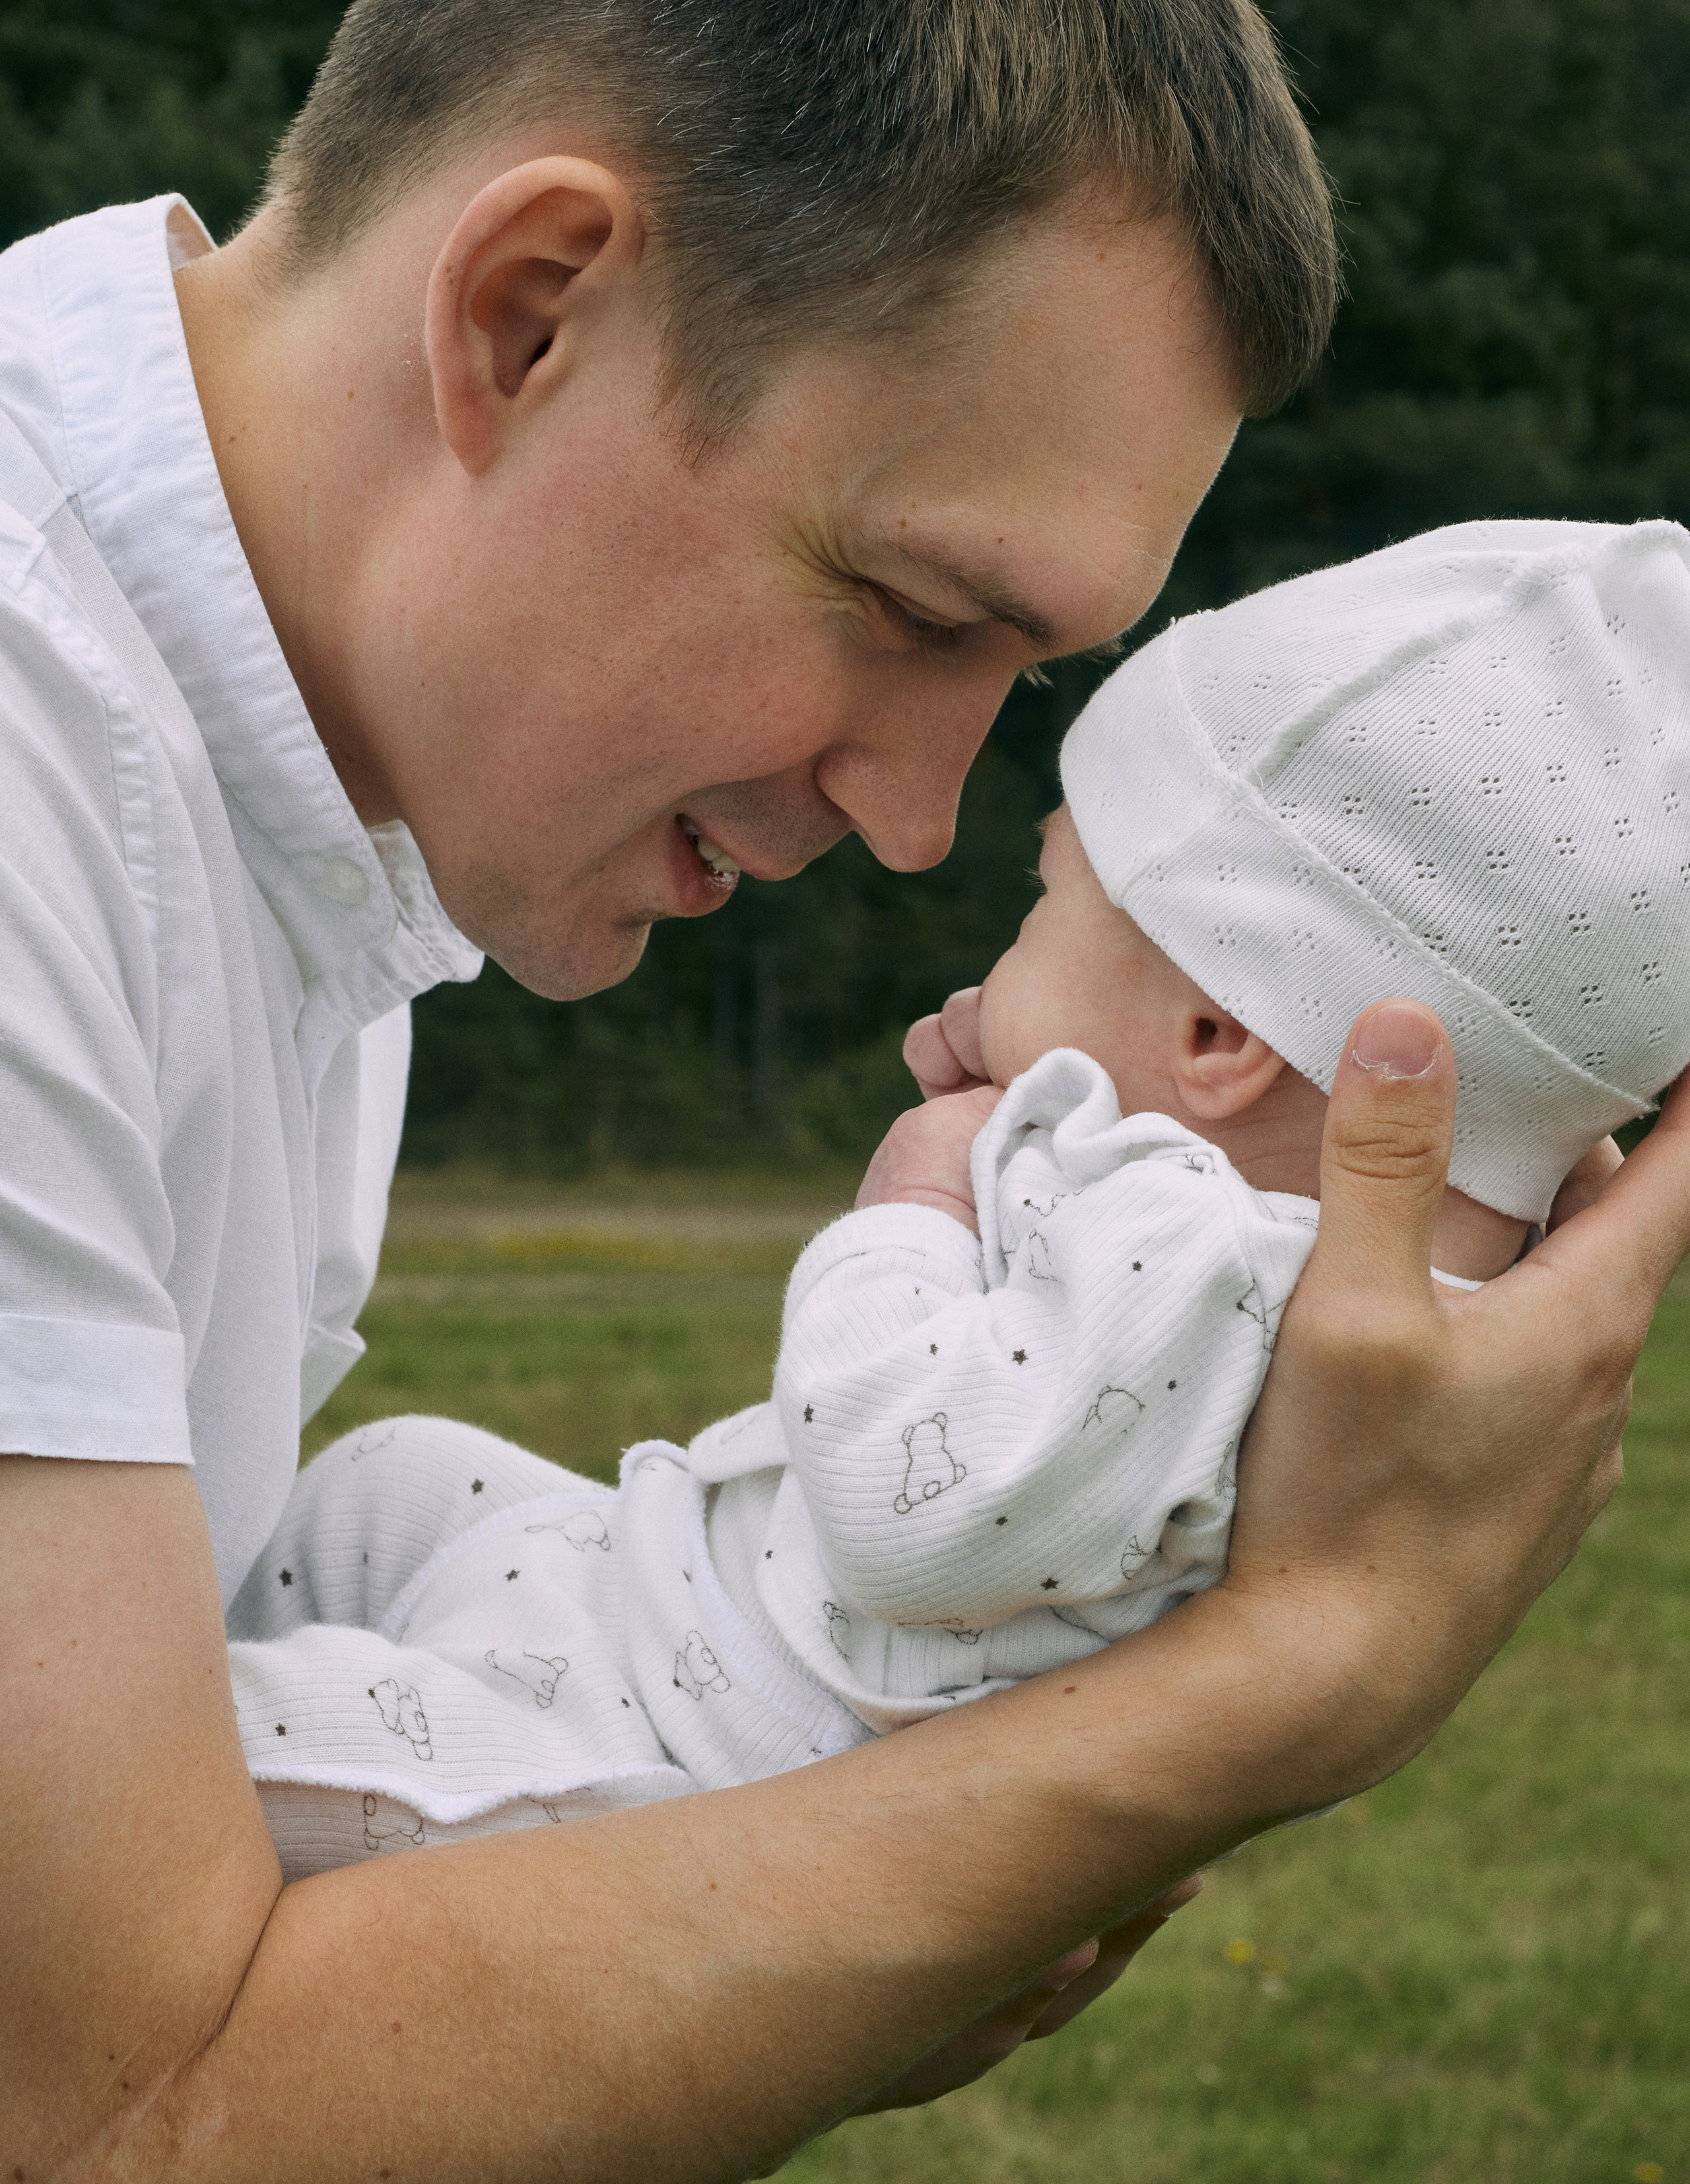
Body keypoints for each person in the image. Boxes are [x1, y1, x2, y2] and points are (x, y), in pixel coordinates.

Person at [1, 4, 1685, 2184]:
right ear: (527, 320)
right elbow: (102, 2144)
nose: (916, 819)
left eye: (1018, 678)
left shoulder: (285, 793)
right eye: (906, 606)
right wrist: (1299, 1667)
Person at [225, 515, 1690, 1878]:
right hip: (653, 1598)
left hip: (658, 1757)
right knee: (380, 1487)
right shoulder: (1330, 1283)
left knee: (225, 1748)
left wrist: (913, 1204)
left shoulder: (1201, 1258)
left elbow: (897, 1504)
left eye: (1045, 903)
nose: (994, 963)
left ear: (1219, 1039)